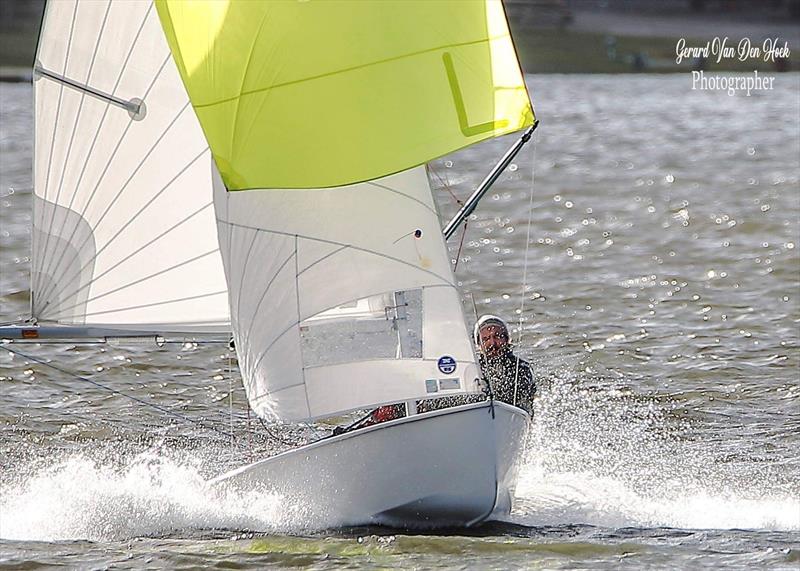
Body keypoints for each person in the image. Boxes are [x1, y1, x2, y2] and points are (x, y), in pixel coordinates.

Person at [473, 314, 535, 414]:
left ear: (507, 340)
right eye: (486, 339)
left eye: (497, 336)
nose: (492, 343)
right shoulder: (474, 369)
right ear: (479, 345)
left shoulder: (521, 368)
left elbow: (526, 403)